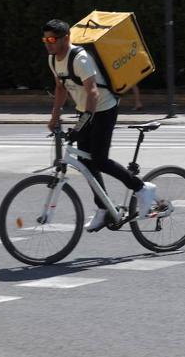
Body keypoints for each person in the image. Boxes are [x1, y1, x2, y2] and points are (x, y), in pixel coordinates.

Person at [43, 19, 156, 231]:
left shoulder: (80, 58)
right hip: (86, 110)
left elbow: (93, 92)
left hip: (103, 109)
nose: (48, 44)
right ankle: (104, 208)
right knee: (86, 163)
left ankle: (142, 188)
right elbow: (60, 88)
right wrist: (54, 116)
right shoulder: (53, 60)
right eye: (45, 39)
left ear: (66, 38)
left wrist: (81, 124)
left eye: (52, 39)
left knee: (99, 159)